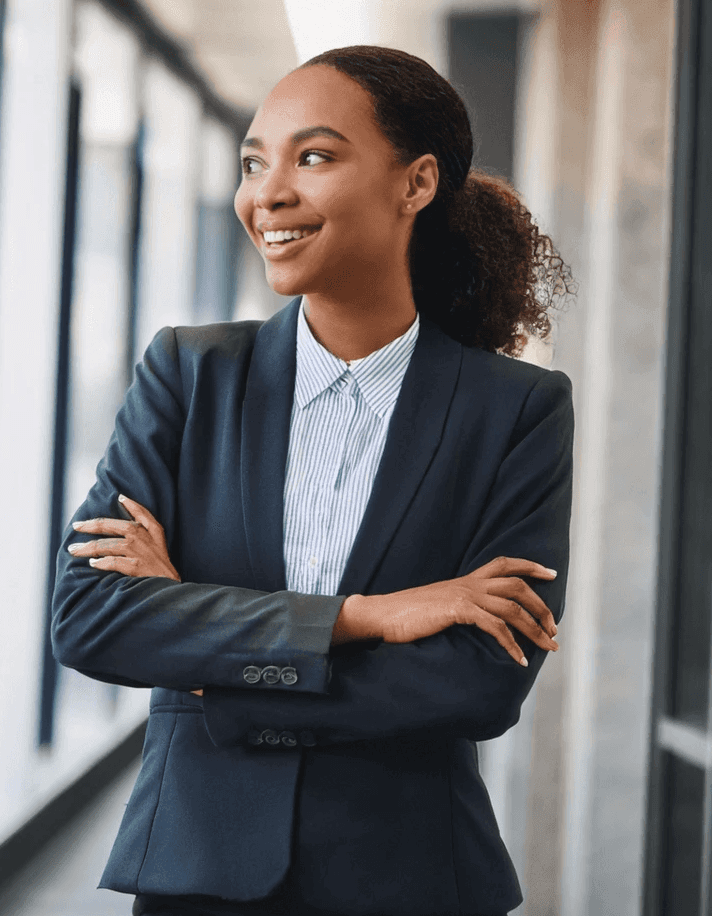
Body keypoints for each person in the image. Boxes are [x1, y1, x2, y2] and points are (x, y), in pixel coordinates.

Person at [52, 45, 574, 916]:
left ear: (416, 184)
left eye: (315, 156)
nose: (269, 193)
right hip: (197, 870)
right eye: (254, 161)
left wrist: (204, 655)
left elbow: (480, 680)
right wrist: (372, 617)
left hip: (408, 876)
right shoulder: (188, 374)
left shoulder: (515, 410)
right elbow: (90, 618)